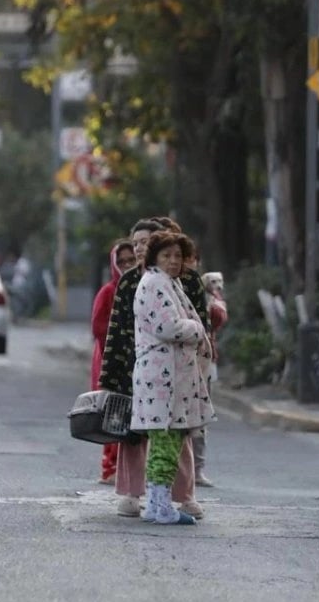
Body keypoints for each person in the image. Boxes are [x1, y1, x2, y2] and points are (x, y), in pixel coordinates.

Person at [98, 218, 202, 519]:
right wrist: (109, 377)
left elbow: (200, 320)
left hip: (176, 373)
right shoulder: (141, 282)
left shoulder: (183, 282)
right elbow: (119, 330)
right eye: (137, 242)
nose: (141, 248)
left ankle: (176, 498)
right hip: (153, 373)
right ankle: (147, 499)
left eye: (176, 256)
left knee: (172, 439)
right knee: (151, 437)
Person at [131, 230, 215, 525]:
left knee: (166, 442)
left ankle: (157, 503)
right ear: (155, 257)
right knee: (166, 440)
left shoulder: (169, 283)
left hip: (171, 378)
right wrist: (196, 328)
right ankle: (161, 505)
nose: (173, 261)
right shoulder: (154, 283)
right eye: (166, 255)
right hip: (162, 379)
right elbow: (167, 327)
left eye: (178, 256)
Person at [91, 239, 135, 485]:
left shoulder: (142, 287)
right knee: (112, 413)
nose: (127, 265)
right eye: (122, 262)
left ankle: (129, 469)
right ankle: (110, 467)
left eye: (131, 260)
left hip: (136, 360)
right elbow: (98, 326)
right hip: (109, 359)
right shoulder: (108, 291)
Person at [196, 269, 228, 487]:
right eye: (212, 281)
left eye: (219, 281)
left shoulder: (215, 300)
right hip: (194, 359)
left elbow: (218, 320)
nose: (216, 285)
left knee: (201, 417)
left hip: (208, 358)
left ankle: (197, 469)